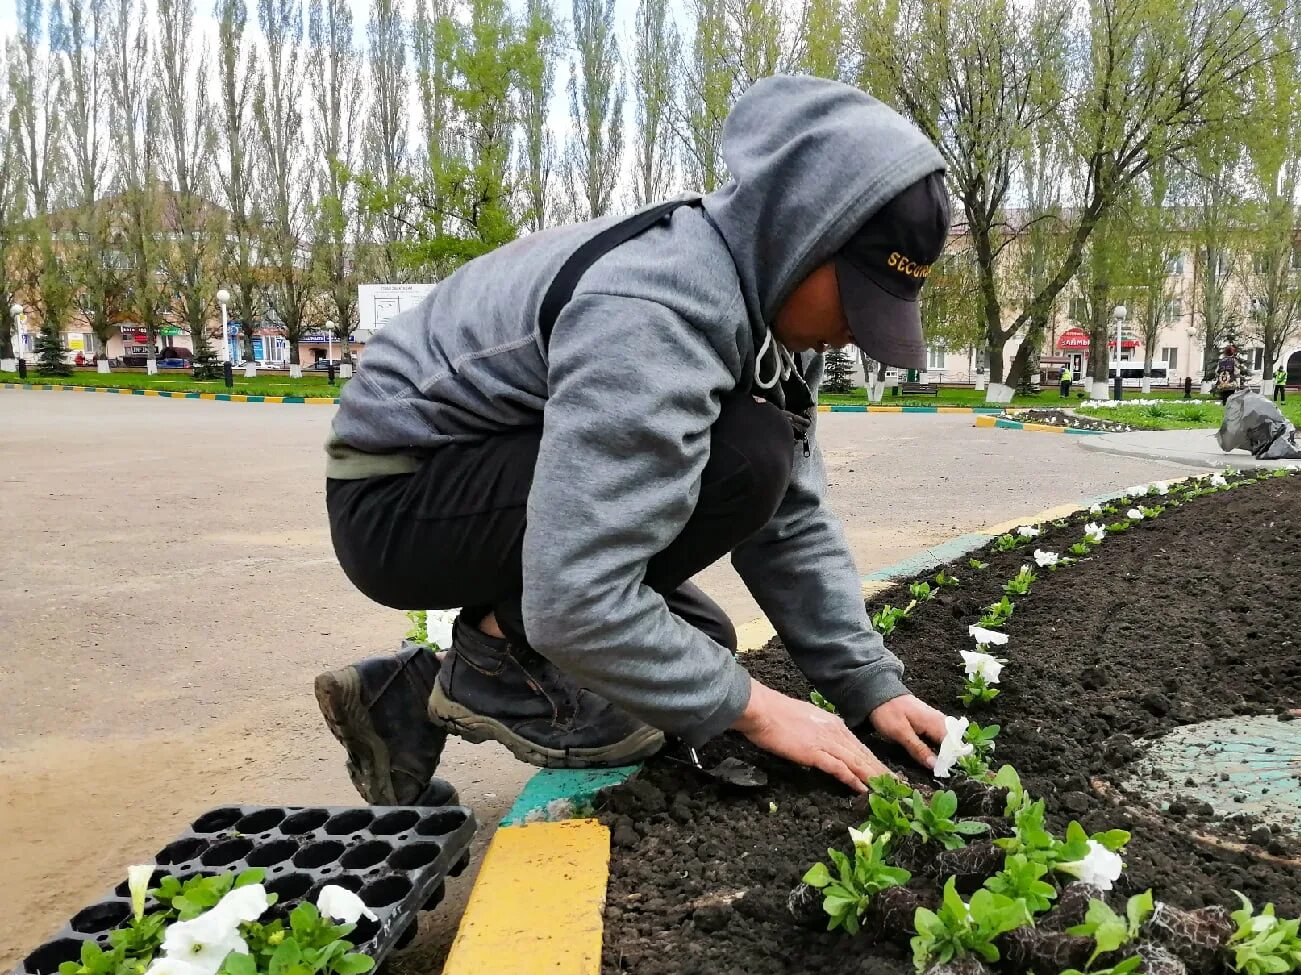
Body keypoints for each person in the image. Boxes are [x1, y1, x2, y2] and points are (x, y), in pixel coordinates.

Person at [313, 76, 955, 806]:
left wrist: (868, 684)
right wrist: (761, 708)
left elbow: (791, 521)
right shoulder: (658, 306)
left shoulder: (767, 308)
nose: (857, 329)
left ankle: (398, 701)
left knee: (698, 642)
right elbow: (578, 601)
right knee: (743, 459)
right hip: (400, 495)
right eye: (858, 295)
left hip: (477, 478)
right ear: (799, 232)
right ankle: (495, 660)